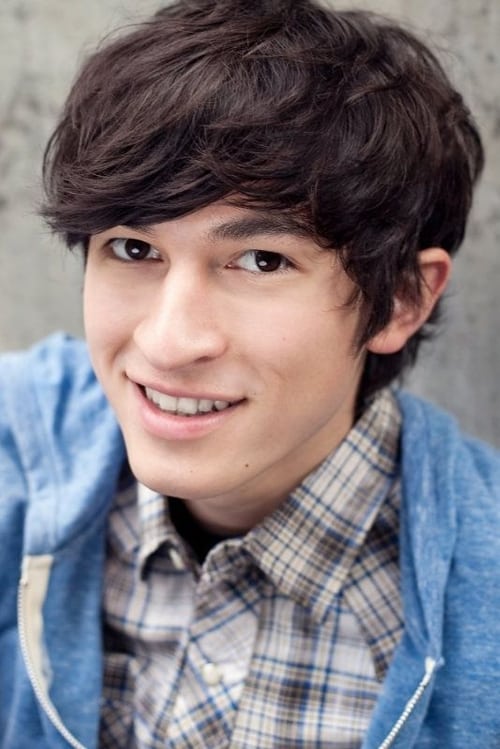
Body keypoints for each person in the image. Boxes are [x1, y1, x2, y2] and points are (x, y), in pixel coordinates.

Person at [1, 0, 499, 746]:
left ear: (401, 299)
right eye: (134, 249)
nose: (169, 341)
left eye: (261, 260)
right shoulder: (20, 458)